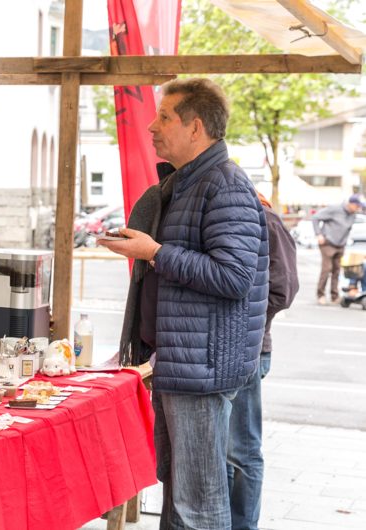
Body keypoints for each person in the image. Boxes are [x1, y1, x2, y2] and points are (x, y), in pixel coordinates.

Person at [101, 78, 269, 530]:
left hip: (203, 367)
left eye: (164, 117)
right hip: (186, 361)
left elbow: (234, 277)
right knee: (180, 492)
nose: (152, 127)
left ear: (196, 128)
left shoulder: (224, 184)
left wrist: (154, 252)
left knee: (198, 501)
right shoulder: (189, 183)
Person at [226, 192, 298, 530]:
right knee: (224, 451)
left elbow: (283, 289)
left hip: (250, 349)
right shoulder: (227, 213)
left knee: (242, 449)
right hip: (224, 350)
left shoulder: (264, 218)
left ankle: (242, 525)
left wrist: (249, 320)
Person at [311, 194, 363, 304]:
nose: (358, 209)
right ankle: (320, 295)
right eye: (357, 206)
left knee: (337, 270)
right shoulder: (335, 209)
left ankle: (334, 296)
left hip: (340, 245)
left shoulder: (353, 215)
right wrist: (319, 234)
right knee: (327, 269)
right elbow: (315, 217)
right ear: (351, 204)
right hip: (328, 243)